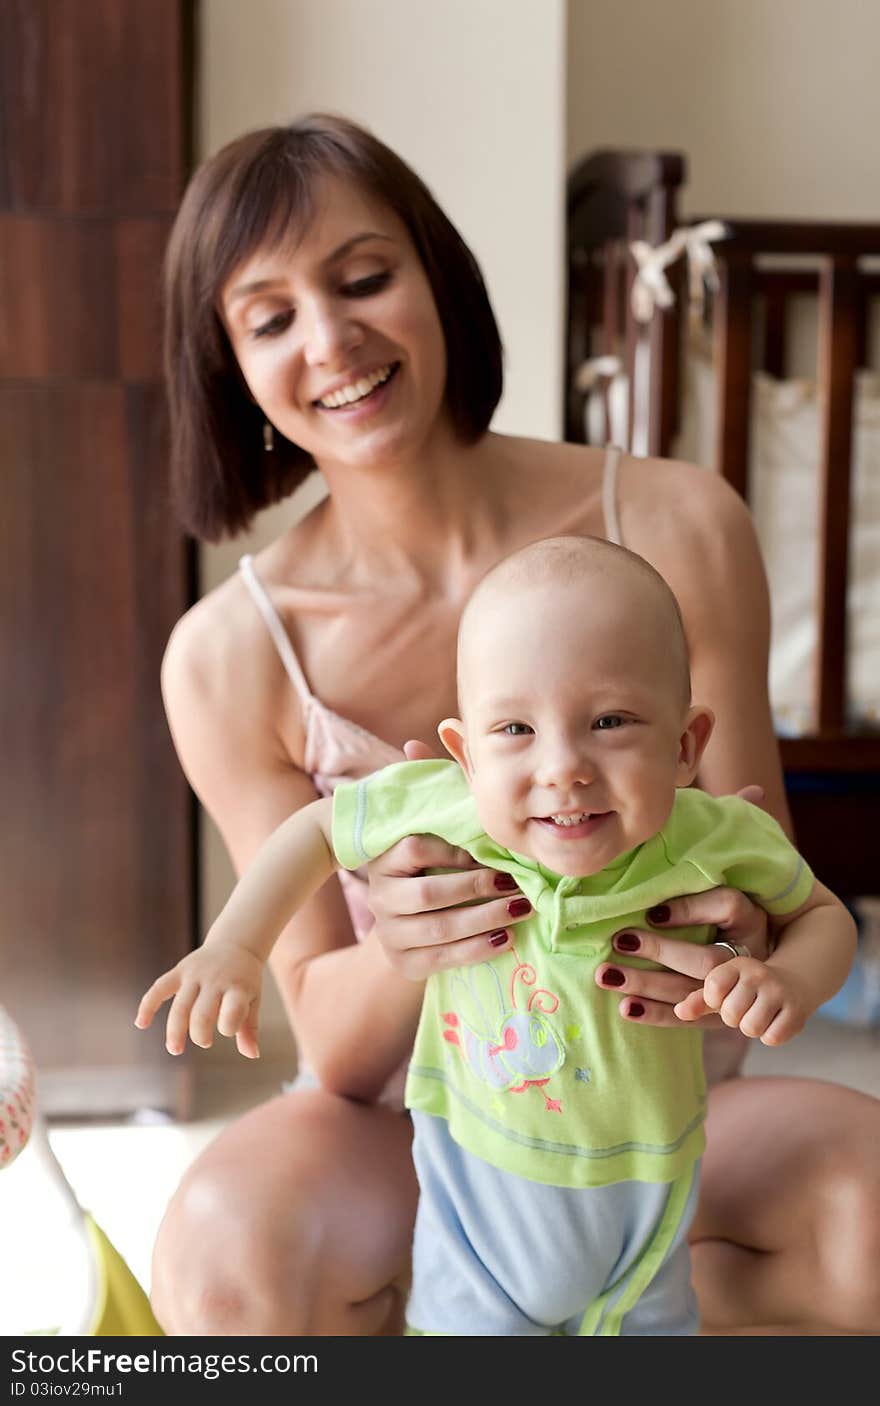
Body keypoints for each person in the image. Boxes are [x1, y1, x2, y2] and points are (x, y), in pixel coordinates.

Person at [151, 112, 880, 1336]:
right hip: (410, 1123)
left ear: (438, 279)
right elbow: (331, 1049)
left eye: (365, 276)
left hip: (657, 1105)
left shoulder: (678, 523)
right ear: (229, 366)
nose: (331, 339)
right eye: (270, 316)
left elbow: (766, 874)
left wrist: (744, 935)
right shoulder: (229, 656)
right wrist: (410, 943)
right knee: (231, 1272)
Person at [138, 536, 856, 1336]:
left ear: (685, 746)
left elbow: (823, 917)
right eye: (514, 729)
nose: (563, 767)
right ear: (464, 755)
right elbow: (316, 830)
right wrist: (236, 944)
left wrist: (789, 977)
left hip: (651, 1198)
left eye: (610, 721)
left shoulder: (715, 834)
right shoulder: (450, 807)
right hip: (479, 1199)